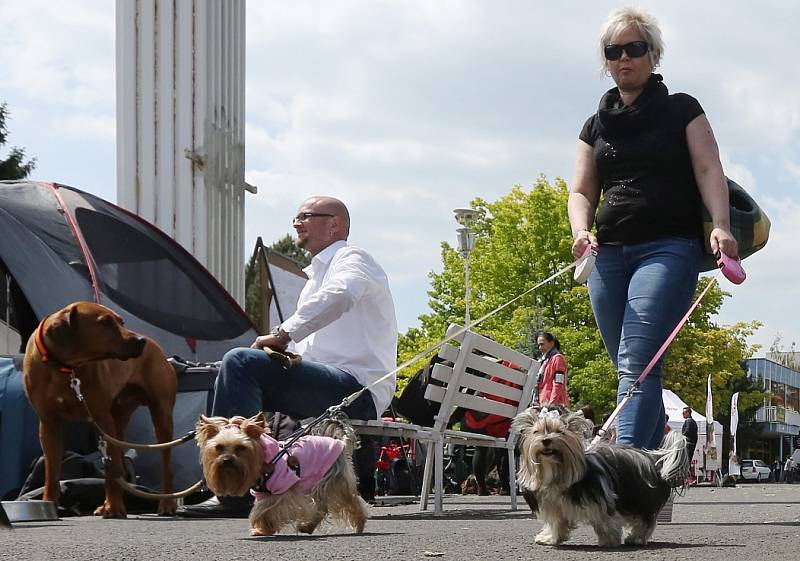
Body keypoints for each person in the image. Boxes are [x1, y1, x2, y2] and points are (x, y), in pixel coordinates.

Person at [568, 7, 738, 449]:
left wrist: (720, 225)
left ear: (654, 54)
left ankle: (623, 474)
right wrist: (580, 230)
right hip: (608, 256)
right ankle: (655, 468)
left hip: (667, 248)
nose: (625, 58)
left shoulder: (682, 109)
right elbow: (581, 191)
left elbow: (708, 170)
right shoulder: (595, 125)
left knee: (636, 361)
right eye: (614, 51)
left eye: (635, 48)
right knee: (634, 368)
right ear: (605, 60)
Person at [178, 195, 398, 517]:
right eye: (296, 218)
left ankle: (235, 490)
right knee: (237, 366)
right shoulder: (316, 278)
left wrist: (281, 335)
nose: (296, 224)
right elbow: (305, 348)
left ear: (334, 224)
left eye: (305, 216)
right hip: (332, 383)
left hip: (356, 390)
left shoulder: (353, 258)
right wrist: (274, 351)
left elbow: (340, 296)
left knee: (239, 363)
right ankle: (241, 481)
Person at [535, 332, 569, 407]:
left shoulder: (557, 358)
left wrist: (552, 404)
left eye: (542, 344)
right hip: (543, 403)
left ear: (551, 343)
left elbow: (559, 383)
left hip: (555, 405)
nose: (540, 348)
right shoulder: (544, 361)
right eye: (539, 345)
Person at [681, 407, 698, 471]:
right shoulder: (693, 422)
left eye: (683, 413)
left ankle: (687, 475)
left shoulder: (688, 421)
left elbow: (687, 431)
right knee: (688, 460)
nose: (682, 414)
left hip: (688, 443)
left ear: (688, 413)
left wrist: (682, 436)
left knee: (686, 461)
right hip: (691, 443)